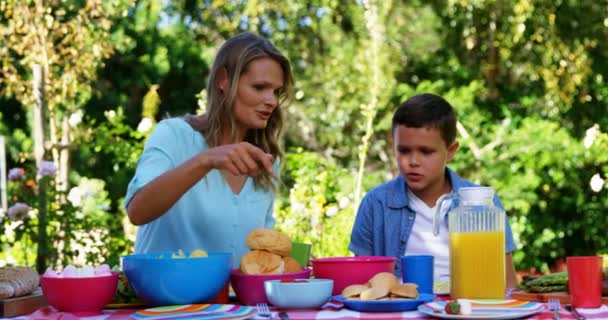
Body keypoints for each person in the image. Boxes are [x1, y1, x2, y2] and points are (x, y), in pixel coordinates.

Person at [125, 32, 294, 266]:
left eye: (276, 92)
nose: (272, 101)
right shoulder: (174, 135)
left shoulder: (265, 160)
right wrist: (206, 160)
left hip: (233, 302)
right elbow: (137, 211)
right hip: (163, 299)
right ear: (223, 80)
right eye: (259, 87)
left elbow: (257, 251)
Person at [348, 93, 517, 289]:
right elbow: (361, 286)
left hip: (466, 308)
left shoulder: (483, 203)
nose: (413, 162)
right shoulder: (376, 203)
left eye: (426, 152)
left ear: (451, 151)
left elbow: (508, 284)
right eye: (403, 150)